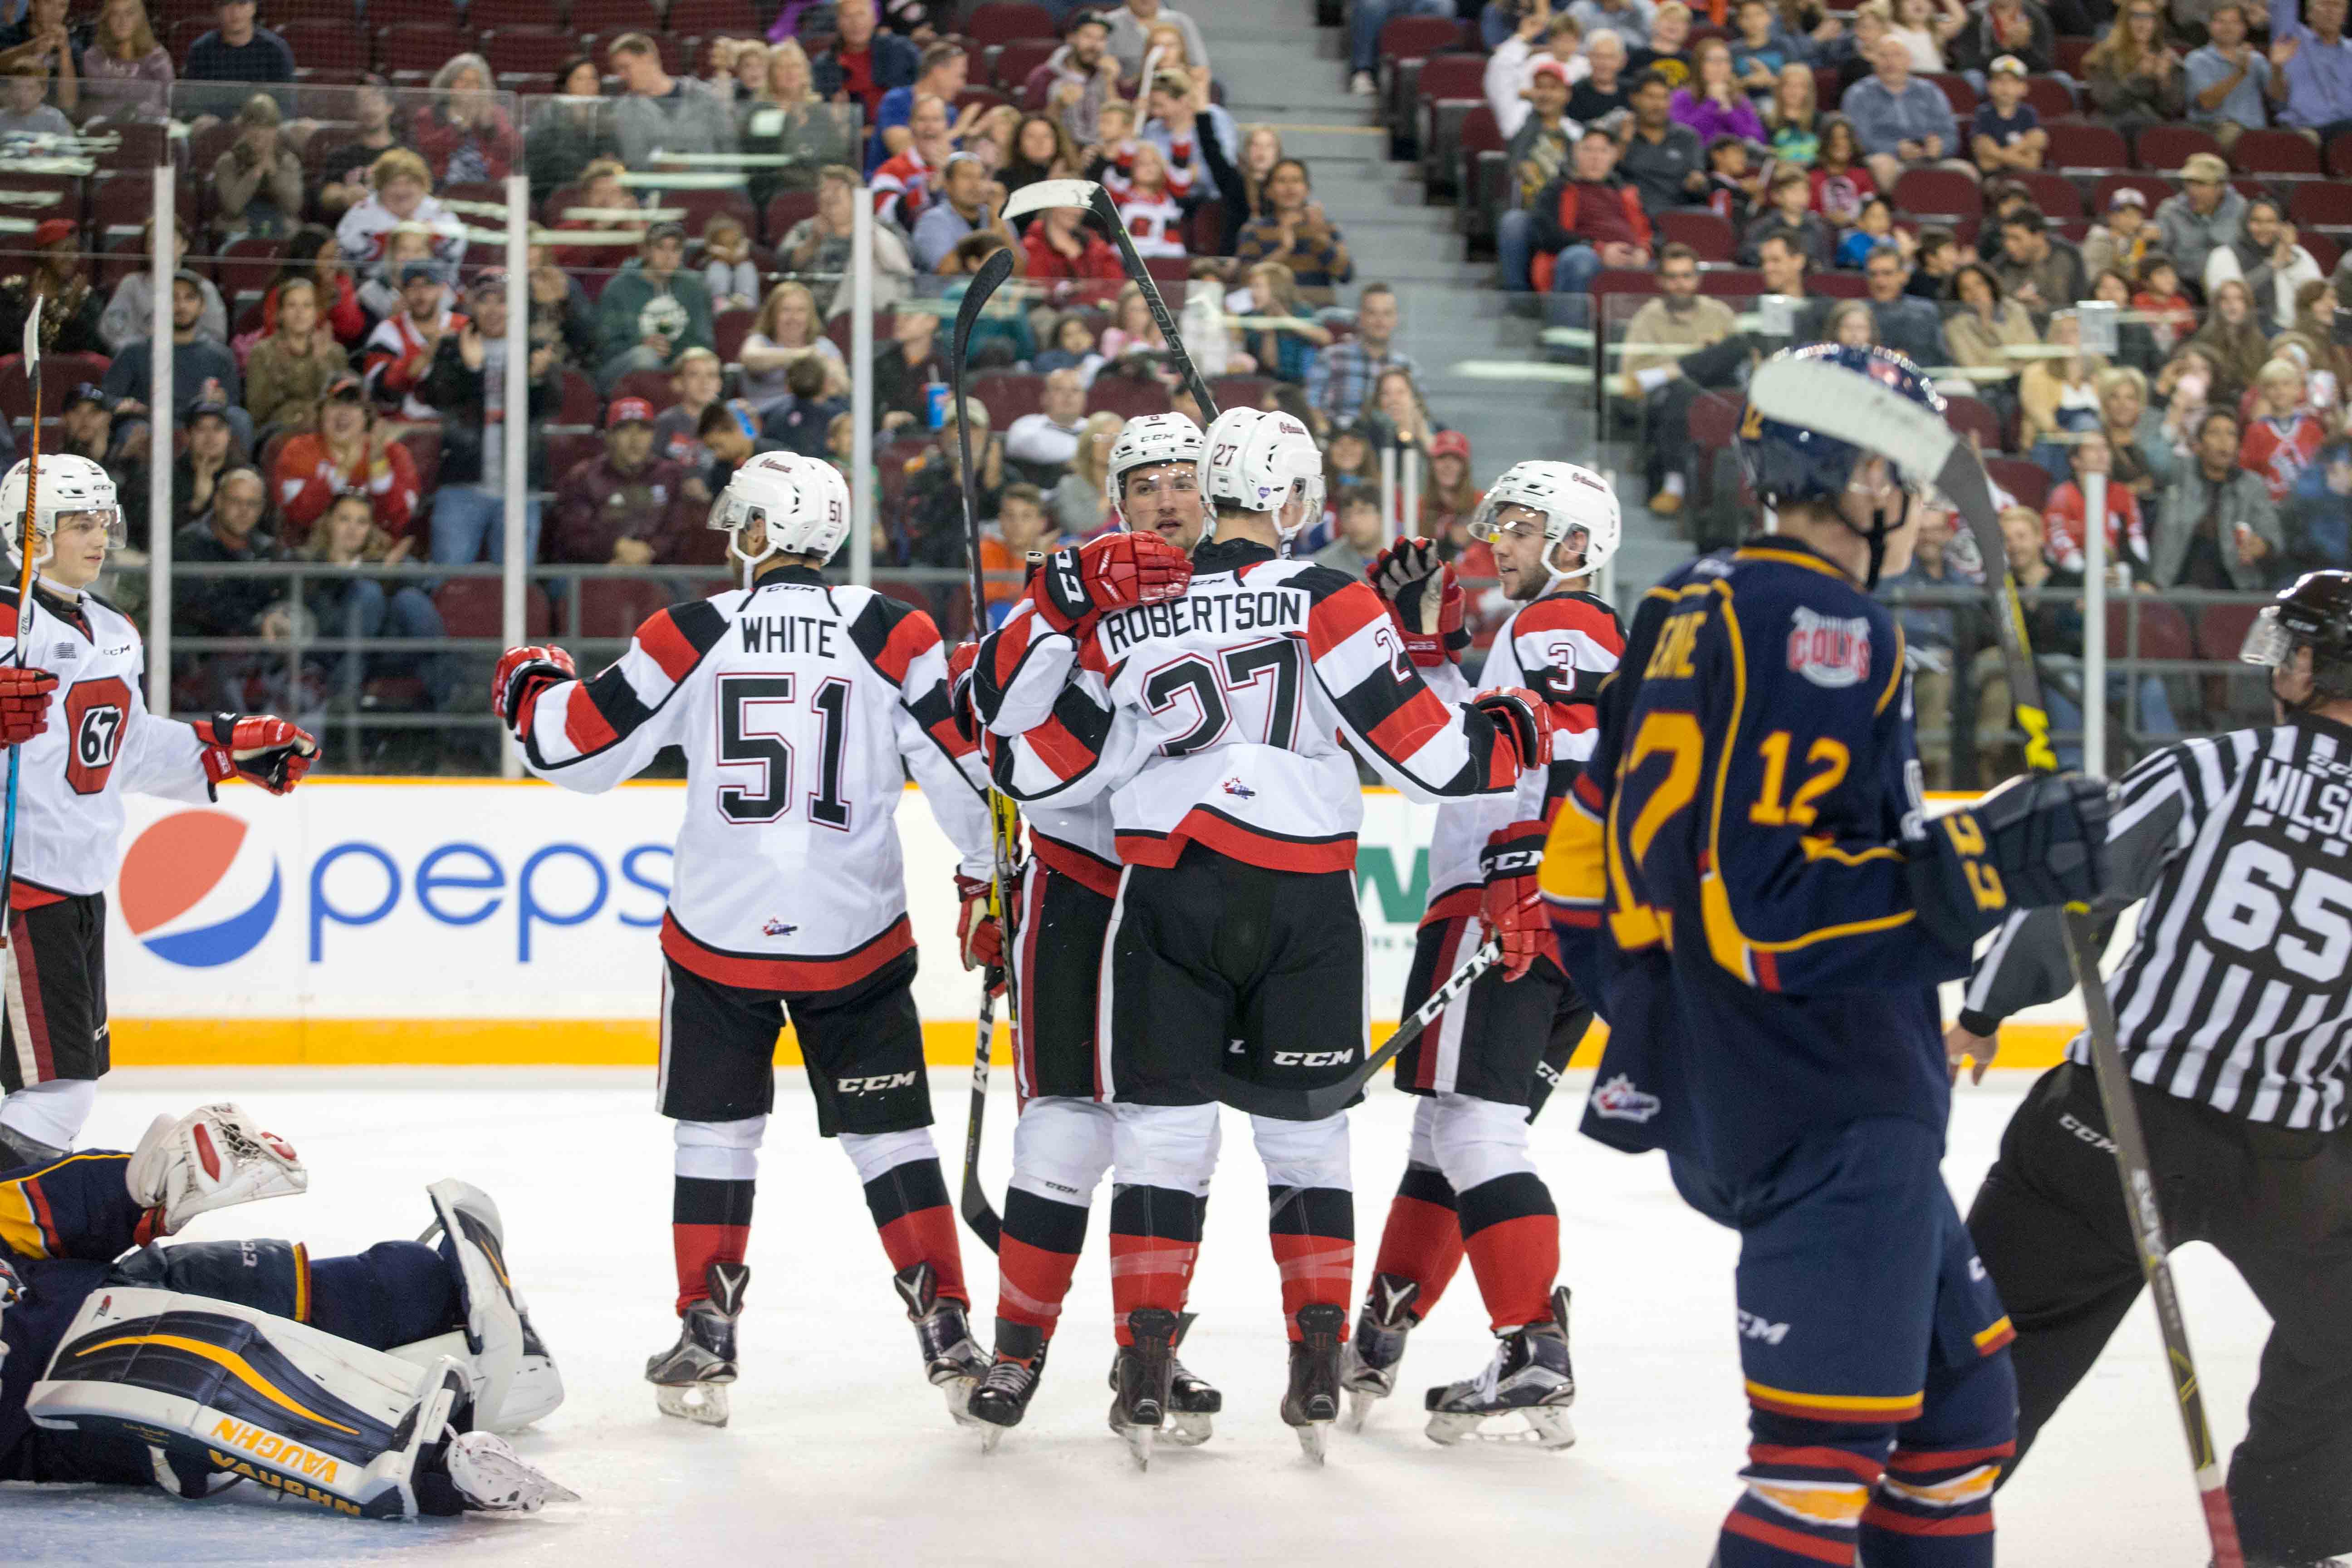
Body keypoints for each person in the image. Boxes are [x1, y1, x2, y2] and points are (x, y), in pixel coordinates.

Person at [1540, 342, 2111, 1568]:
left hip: (1772, 1083)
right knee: (1820, 1463)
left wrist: (1668, 1027)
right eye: (1908, 465)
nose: (1920, 499)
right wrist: (1988, 866)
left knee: (1960, 1420)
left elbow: (1578, 865)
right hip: (1835, 1093)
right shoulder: (1828, 623)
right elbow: (1769, 911)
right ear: (1860, 472)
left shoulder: (1686, 598)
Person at [975, 405, 1551, 1464]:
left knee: (1160, 1138)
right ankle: (1314, 1362)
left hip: (1162, 897)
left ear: (1210, 489)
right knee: (1306, 1138)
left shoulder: (1127, 616)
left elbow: (1030, 762)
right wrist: (1498, 710)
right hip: (1302, 906)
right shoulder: (1328, 595)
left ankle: (1143, 1364)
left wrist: (1054, 612)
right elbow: (1432, 758)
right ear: (1291, 498)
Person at [497, 452, 1001, 1427]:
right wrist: (990, 878)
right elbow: (963, 777)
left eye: (744, 521)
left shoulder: (688, 632)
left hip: (718, 936)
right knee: (891, 1136)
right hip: (855, 934)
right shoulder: (895, 631)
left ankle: (707, 1333)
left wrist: (529, 684)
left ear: (764, 532)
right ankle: (947, 1329)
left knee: (717, 1133)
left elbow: (578, 752)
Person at [1952, 568, 2352, 1568]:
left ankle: (1915, 1530)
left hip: (2111, 1127)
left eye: (2290, 647)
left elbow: (2072, 903)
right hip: (2292, 1161)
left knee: (1993, 1351)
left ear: (2309, 663)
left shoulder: (2209, 770)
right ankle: (2285, 1543)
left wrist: (1986, 1008)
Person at [1346, 464, 1624, 1445]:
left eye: (1519, 524)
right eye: (1497, 521)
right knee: (1451, 1133)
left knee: (1471, 1131)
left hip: (1510, 902)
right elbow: (1458, 766)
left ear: (1578, 545)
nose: (1496, 539)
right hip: (1552, 908)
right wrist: (1425, 649)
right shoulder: (1540, 633)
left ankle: (1530, 1344)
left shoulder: (1562, 625)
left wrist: (1521, 869)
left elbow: (1573, 748)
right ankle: (1382, 1330)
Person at [0, 1107, 573, 1515]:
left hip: (107, 1289)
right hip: (67, 1402)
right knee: (214, 1392)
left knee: (408, 1279)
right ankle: (431, 1439)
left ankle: (499, 1356)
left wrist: (138, 1184)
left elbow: (21, 1213)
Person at [0, 457, 313, 1164]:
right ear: (29, 535)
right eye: (79, 524)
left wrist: (226, 749)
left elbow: (130, 749)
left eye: (102, 522)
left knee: (66, 1090)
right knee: (57, 1094)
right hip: (18, 887)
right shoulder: (1, 623)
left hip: (78, 883)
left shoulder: (114, 630)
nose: (98, 537)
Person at [417, 272, 560, 566]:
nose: (494, 310)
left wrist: (535, 380)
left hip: (521, 489)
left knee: (517, 588)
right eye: (486, 301)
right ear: (473, 306)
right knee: (449, 582)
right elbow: (435, 397)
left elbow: (552, 407)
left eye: (502, 301)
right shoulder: (452, 348)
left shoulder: (535, 350)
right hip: (462, 486)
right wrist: (473, 370)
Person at [1615, 242, 1737, 515]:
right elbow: (1631, 375)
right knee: (1681, 389)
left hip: (1718, 391)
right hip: (1671, 396)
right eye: (1673, 277)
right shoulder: (1648, 317)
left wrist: (1700, 359)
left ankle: (1677, 369)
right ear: (1661, 281)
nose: (1680, 284)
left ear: (1698, 279)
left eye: (1686, 276)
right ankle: (1674, 482)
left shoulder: (1718, 313)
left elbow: (1742, 358)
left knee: (1737, 344)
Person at [270, 374, 420, 549]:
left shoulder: (394, 454)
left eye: (353, 405)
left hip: (378, 560)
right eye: (335, 404)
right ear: (321, 412)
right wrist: (343, 470)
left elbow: (399, 521)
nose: (343, 413)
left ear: (367, 416)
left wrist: (378, 465)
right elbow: (300, 516)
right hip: (312, 559)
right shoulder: (299, 451)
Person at [103, 273, 248, 450]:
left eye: (190, 298)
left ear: (202, 306)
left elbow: (231, 405)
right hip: (150, 425)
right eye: (173, 298)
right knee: (134, 431)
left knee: (240, 419)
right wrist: (123, 404)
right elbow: (108, 397)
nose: (181, 305)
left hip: (202, 427)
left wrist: (220, 402)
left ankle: (237, 475)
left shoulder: (221, 356)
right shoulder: (134, 351)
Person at [550, 398, 700, 566]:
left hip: (659, 571)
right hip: (593, 570)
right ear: (609, 436)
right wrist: (615, 547)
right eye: (625, 430)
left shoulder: (671, 476)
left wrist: (648, 552)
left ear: (653, 436)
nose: (635, 440)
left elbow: (678, 531)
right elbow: (572, 535)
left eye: (643, 431)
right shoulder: (583, 477)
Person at [1525, 126, 1655, 312]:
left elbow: (1656, 233)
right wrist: (1599, 250)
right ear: (1576, 152)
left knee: (1675, 269)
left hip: (1632, 258)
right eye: (1588, 150)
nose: (1596, 158)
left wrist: (1645, 251)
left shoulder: (1628, 192)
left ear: (1614, 156)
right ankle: (1567, 337)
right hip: (1582, 255)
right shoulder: (1557, 189)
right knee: (1580, 260)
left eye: (1603, 151)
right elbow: (1547, 235)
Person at [2151, 405, 2283, 587]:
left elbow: (2273, 538)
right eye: (2215, 433)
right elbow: (2155, 461)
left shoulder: (2253, 485)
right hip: (2176, 584)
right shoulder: (2178, 474)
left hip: (2234, 590)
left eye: (2231, 434)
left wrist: (2262, 547)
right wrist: (2173, 419)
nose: (2224, 441)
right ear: (2199, 444)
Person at [596, 224, 718, 392]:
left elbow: (705, 342)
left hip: (680, 369)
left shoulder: (695, 287)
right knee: (646, 356)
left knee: (703, 367)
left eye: (676, 249)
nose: (669, 257)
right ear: (645, 251)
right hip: (624, 369)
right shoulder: (618, 289)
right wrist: (641, 344)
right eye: (661, 248)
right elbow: (606, 349)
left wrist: (682, 360)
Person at [1841, 33, 1964, 190]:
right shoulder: (1858, 95)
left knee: (1966, 172)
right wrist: (1896, 149)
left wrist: (1940, 147)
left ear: (1909, 61)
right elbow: (1859, 140)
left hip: (1929, 158)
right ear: (1874, 61)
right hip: (1887, 159)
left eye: (1897, 55)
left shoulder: (1931, 91)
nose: (1890, 62)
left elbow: (1950, 135)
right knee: (1883, 166)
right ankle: (1898, 213)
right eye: (1884, 56)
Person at [607, 31, 735, 168]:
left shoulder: (705, 97)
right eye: (618, 71)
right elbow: (634, 162)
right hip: (657, 187)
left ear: (648, 59)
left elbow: (729, 148)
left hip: (711, 186)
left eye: (625, 67)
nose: (622, 76)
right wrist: (660, 168)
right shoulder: (625, 110)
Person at [242, 276, 349, 437]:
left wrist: (322, 363)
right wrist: (280, 370)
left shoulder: (335, 353)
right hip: (279, 433)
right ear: (281, 313)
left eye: (307, 306)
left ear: (316, 313)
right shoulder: (262, 353)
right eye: (292, 306)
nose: (300, 313)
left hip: (325, 432)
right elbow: (258, 412)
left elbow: (341, 406)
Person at [361, 259, 461, 423]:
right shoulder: (388, 330)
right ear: (403, 291)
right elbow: (378, 390)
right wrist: (427, 355)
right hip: (402, 428)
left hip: (454, 428)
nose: (421, 294)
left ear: (442, 289)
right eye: (413, 287)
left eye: (428, 286)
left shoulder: (463, 327)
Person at [1234, 158, 1355, 291]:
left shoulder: (1326, 227)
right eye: (1282, 181)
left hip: (1319, 307)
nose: (1290, 187)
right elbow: (1246, 280)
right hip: (1271, 310)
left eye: (1296, 181)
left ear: (1307, 190)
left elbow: (1346, 275)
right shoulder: (1253, 230)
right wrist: (1283, 250)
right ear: (1268, 191)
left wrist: (1319, 237)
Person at [1304, 283, 1414, 429]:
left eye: (1387, 314)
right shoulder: (1332, 358)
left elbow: (1417, 416)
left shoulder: (1406, 367)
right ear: (1360, 317)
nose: (1380, 321)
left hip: (1389, 444)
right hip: (1338, 443)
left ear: (1395, 319)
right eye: (1372, 313)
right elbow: (1310, 405)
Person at [178, 0, 290, 123]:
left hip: (263, 126)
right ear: (217, 10)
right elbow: (191, 106)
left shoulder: (276, 50)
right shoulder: (201, 51)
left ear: (254, 7)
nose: (235, 12)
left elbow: (286, 105)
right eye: (226, 4)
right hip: (216, 129)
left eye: (242, 3)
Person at [1617, 69, 1709, 217]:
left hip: (1679, 215)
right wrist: (1623, 143)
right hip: (1633, 215)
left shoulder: (1687, 137)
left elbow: (1699, 183)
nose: (1658, 105)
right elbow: (1606, 178)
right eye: (1651, 97)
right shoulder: (1621, 134)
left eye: (1664, 98)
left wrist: (1697, 184)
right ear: (1634, 99)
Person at [2241, 354, 2328, 502]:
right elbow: (2247, 472)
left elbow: (2323, 470)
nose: (2280, 390)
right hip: (2268, 506)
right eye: (2272, 385)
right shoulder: (2256, 431)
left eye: (2286, 384)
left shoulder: (2312, 429)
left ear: (2298, 389)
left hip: (2307, 506)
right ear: (2263, 392)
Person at [2156, 152, 2248, 289]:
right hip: (2184, 286)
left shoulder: (2241, 209)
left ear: (2221, 187)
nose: (2193, 190)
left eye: (2201, 184)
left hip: (2231, 288)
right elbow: (2160, 256)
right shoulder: (2170, 211)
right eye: (2189, 183)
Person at [911, 152, 1015, 273]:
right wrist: (986, 237)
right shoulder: (932, 221)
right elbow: (945, 271)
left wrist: (998, 215)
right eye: (967, 177)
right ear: (948, 184)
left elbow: (1020, 270)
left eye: (981, 177)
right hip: (945, 291)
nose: (976, 185)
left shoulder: (996, 215)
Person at [2186, 0, 2271, 147]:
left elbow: (2279, 101)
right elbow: (2206, 103)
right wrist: (2239, 74)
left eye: (2235, 22)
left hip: (2257, 132)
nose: (2228, 27)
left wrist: (2277, 68)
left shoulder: (2257, 60)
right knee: (2233, 133)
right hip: (2213, 131)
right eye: (2221, 21)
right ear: (2209, 25)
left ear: (2244, 28)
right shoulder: (2197, 59)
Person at [2267, 0, 2352, 144]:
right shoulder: (2290, 41)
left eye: (2337, 5)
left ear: (2345, 15)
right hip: (2305, 131)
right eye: (2324, 4)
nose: (2330, 11)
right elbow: (2282, 5)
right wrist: (2277, 68)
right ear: (2309, 13)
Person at [76, 0, 168, 120]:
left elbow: (168, 99)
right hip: (104, 129)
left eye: (129, 14)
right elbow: (99, 95)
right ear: (107, 19)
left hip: (148, 127)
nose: (122, 22)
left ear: (139, 19)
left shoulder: (157, 57)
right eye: (115, 14)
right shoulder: (94, 57)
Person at [1990, 209, 2085, 314]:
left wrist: (2045, 308)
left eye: (2016, 238)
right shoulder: (2000, 266)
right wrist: (2014, 303)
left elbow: (2080, 305)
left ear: (2039, 236)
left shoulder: (2068, 258)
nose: (2009, 245)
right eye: (2006, 238)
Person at [1005, 368, 1091, 484]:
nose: (1068, 395)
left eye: (1075, 390)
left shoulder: (1093, 426)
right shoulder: (1026, 424)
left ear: (1085, 399)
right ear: (1045, 398)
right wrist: (1089, 452)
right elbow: (1032, 445)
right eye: (1059, 389)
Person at [1739, 165, 1834, 269]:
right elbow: (1746, 254)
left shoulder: (1817, 229)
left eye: (1805, 190)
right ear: (1777, 196)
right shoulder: (1764, 226)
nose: (1800, 197)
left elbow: (1826, 264)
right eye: (1793, 191)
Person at [1672, 38, 1767, 141]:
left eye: (1725, 61)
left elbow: (1757, 139)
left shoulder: (1739, 100)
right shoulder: (1682, 97)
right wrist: (1711, 102)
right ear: (1699, 65)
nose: (1720, 66)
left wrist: (1729, 112)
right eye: (1713, 61)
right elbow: (1681, 136)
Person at [1970, 54, 2045, 176]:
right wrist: (2021, 156)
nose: (2006, 87)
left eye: (2013, 82)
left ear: (2024, 88)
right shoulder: (1983, 113)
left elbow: (2034, 161)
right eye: (2000, 81)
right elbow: (1985, 163)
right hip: (1993, 178)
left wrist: (1998, 156)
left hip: (2025, 178)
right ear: (1989, 86)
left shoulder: (2029, 114)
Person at [2081, 186, 2154, 282]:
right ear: (2112, 216)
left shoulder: (2137, 241)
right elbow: (2092, 279)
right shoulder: (2098, 241)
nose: (2132, 220)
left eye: (2137, 215)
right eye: (2127, 214)